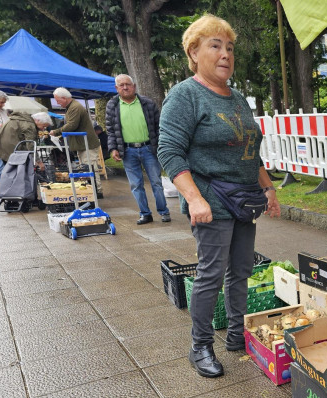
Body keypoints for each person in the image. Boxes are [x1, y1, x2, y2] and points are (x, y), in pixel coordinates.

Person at [158, 14, 281, 378]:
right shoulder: (185, 95)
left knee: (241, 270)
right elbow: (169, 151)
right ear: (194, 52)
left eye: (229, 47)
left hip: (244, 199)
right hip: (211, 201)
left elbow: (249, 150)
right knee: (211, 273)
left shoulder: (238, 97)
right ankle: (200, 347)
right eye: (215, 46)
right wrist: (195, 198)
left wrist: (268, 188)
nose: (225, 54)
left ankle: (237, 335)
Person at [106, 74, 170, 224]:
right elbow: (110, 130)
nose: (125, 87)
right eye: (121, 85)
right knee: (136, 185)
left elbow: (159, 126)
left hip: (149, 148)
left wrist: (160, 145)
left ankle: (164, 211)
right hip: (127, 151)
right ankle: (145, 214)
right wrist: (113, 148)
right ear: (116, 88)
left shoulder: (147, 103)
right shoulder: (112, 105)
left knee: (156, 182)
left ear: (134, 86)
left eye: (128, 84)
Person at [49, 87, 103, 196]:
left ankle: (97, 192)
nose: (58, 103)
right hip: (83, 144)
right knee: (86, 168)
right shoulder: (72, 107)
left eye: (58, 101)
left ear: (64, 98)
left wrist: (56, 132)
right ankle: (91, 190)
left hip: (87, 144)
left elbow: (72, 125)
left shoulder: (74, 107)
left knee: (90, 167)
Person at [0, 112, 52, 190]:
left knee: (6, 172)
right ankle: (18, 193)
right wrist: (39, 161)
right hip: (10, 150)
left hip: (1, 148)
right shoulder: (30, 125)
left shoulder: (19, 120)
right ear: (37, 120)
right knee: (18, 173)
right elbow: (31, 145)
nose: (43, 129)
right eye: (43, 126)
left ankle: (7, 193)